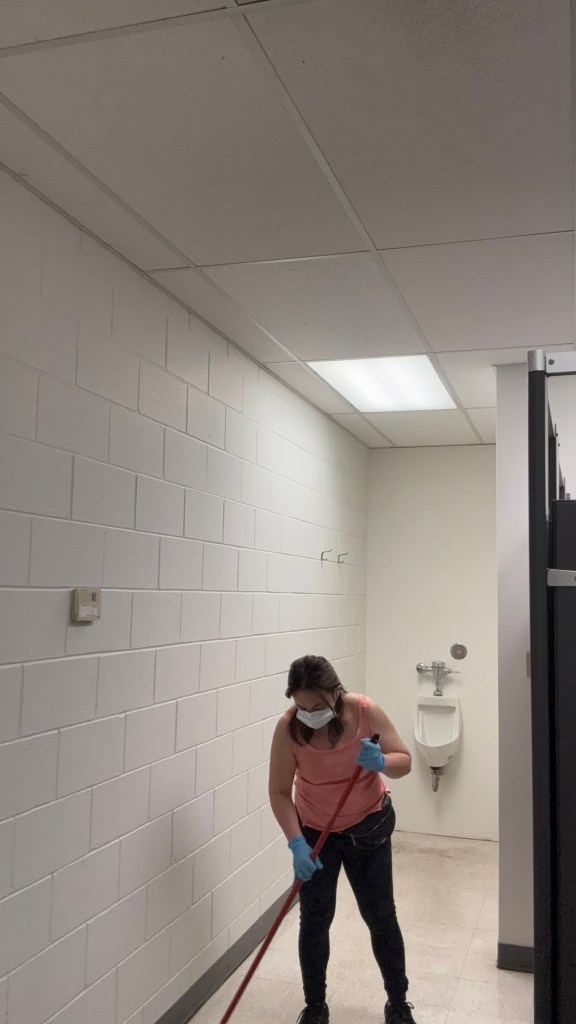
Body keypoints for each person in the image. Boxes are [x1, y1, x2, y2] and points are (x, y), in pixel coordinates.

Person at [268, 654, 417, 1024]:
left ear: (336, 692)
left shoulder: (364, 711)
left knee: (380, 916)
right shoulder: (288, 728)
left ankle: (398, 1002)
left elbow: (404, 760)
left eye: (316, 706)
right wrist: (296, 843)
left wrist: (382, 762)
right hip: (315, 833)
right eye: (301, 707)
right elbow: (279, 792)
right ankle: (315, 1006)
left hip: (367, 828)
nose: (308, 714)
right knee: (314, 921)